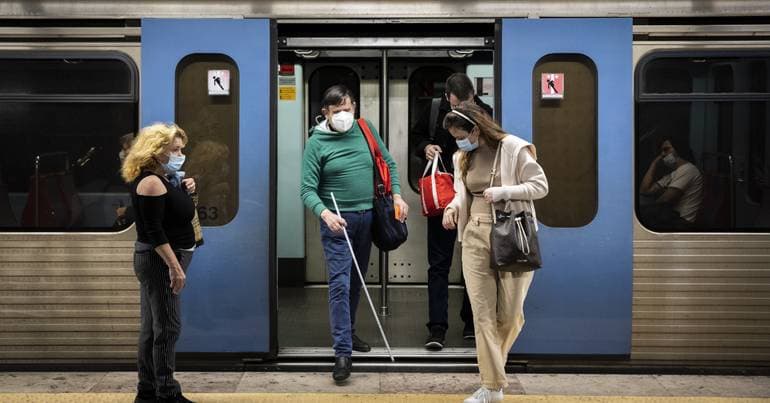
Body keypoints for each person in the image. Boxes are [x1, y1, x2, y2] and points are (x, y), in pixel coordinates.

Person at [301, 84, 408, 383]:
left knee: (355, 282)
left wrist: (397, 195)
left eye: (348, 109)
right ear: (326, 113)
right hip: (337, 221)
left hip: (369, 216)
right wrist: (325, 213)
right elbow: (307, 189)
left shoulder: (365, 129)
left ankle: (349, 333)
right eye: (337, 112)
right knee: (339, 283)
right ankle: (342, 352)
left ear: (355, 108)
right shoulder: (316, 143)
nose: (344, 116)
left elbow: (388, 162)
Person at [441, 103, 548, 403]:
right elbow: (461, 193)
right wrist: (452, 207)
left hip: (513, 235)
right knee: (483, 315)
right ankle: (492, 388)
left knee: (511, 316)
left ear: (476, 129)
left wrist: (505, 192)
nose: (457, 142)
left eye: (460, 134)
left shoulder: (513, 148)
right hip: (475, 233)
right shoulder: (461, 156)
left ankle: (491, 382)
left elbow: (540, 185)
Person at [411, 72, 493, 350]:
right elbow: (416, 138)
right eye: (458, 107)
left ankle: (470, 322)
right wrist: (426, 147)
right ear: (448, 99)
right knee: (439, 265)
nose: (463, 111)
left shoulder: (486, 113)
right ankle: (437, 328)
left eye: (468, 104)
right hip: (444, 196)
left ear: (474, 96)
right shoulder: (434, 110)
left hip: (474, 197)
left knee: (476, 263)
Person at [121, 123, 197, 403]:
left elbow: (172, 214)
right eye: (175, 149)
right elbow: (154, 231)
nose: (180, 154)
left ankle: (147, 390)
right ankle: (166, 392)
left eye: (181, 149)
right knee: (167, 327)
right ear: (157, 150)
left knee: (152, 327)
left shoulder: (161, 178)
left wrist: (185, 188)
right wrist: (174, 267)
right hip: (160, 261)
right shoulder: (152, 183)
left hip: (160, 260)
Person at [639, 136, 703, 230]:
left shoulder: (688, 169)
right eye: (661, 151)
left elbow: (665, 200)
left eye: (666, 149)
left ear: (678, 149)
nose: (662, 155)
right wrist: (654, 164)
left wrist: (643, 210)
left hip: (683, 222)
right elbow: (644, 191)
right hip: (669, 217)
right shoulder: (673, 173)